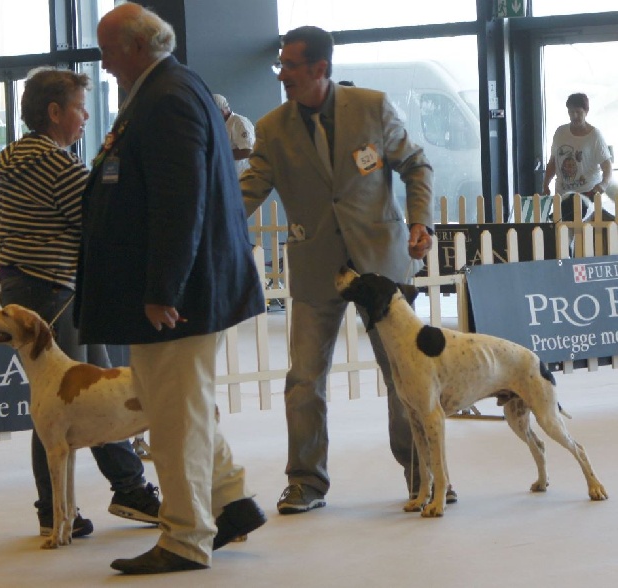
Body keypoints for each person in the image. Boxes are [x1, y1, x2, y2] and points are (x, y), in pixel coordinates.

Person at [74, 3, 266, 575]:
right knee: (179, 404)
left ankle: (184, 539)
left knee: (174, 416)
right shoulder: (168, 89)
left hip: (175, 295)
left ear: (135, 46)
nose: (104, 65)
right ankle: (229, 502)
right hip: (177, 289)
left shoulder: (168, 98)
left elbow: (180, 205)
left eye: (107, 51)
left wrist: (163, 289)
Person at [240, 25, 456, 514]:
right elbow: (247, 193)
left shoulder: (373, 107)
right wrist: (205, 226)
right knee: (303, 379)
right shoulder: (272, 128)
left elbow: (416, 165)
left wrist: (420, 220)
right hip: (317, 268)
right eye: (281, 63)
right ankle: (305, 481)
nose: (282, 73)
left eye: (290, 64)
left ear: (320, 68)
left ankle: (424, 474)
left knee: (406, 375)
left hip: (382, 264)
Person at [0, 67, 161, 539]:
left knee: (70, 398)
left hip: (31, 289)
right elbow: (97, 223)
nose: (86, 116)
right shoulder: (56, 164)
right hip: (52, 293)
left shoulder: (20, 161)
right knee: (69, 403)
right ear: (54, 112)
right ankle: (116, 491)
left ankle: (91, 496)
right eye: (80, 107)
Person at [542, 92, 613, 221]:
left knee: (586, 234)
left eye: (578, 112)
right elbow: (553, 161)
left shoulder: (595, 136)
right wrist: (546, 184)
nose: (574, 116)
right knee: (562, 233)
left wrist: (603, 184)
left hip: (588, 194)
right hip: (563, 195)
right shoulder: (560, 132)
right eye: (571, 112)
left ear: (586, 111)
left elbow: (607, 166)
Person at [213, 93, 255, 176]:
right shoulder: (220, 125)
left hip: (243, 177)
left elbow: (248, 151)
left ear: (222, 110)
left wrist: (220, 154)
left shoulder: (239, 122)